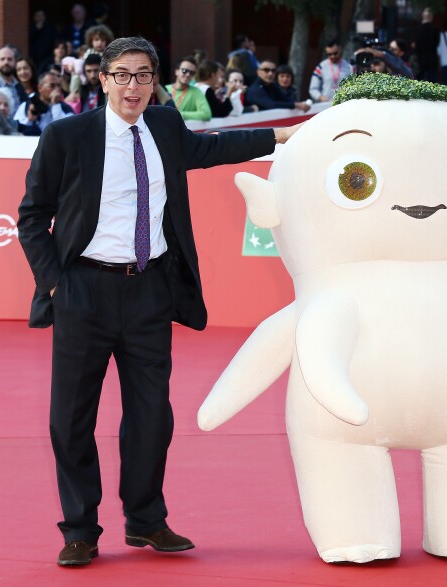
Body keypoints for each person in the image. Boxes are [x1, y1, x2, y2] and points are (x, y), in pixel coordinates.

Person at [16, 36, 301, 568]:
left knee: (152, 416)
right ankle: (80, 529)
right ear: (103, 80)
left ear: (155, 82)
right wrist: (56, 285)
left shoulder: (166, 127)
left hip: (149, 289)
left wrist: (283, 135)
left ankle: (146, 519)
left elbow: (214, 149)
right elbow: (32, 217)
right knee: (71, 419)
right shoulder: (67, 136)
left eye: (143, 76)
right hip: (84, 290)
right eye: (122, 75)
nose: (133, 86)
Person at [13, 70, 75, 135]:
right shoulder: (26, 106)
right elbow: (16, 129)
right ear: (40, 88)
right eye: (52, 86)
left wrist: (56, 105)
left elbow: (66, 129)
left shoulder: (66, 108)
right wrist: (29, 120)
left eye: (58, 85)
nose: (57, 89)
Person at [246, 60, 311, 112]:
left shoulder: (272, 85)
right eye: (266, 70)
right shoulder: (255, 89)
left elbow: (286, 99)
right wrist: (295, 105)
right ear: (258, 72)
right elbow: (271, 105)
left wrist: (300, 104)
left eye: (273, 71)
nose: (270, 73)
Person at [164, 57, 211, 121]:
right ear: (177, 71)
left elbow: (206, 114)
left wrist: (180, 114)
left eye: (192, 73)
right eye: (184, 71)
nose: (188, 75)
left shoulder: (196, 92)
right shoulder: (165, 89)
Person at [414, 7, 440, 82]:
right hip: (432, 59)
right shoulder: (435, 29)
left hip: (420, 59)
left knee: (420, 82)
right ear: (432, 16)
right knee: (432, 81)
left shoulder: (418, 29)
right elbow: (437, 44)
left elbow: (416, 45)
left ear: (423, 16)